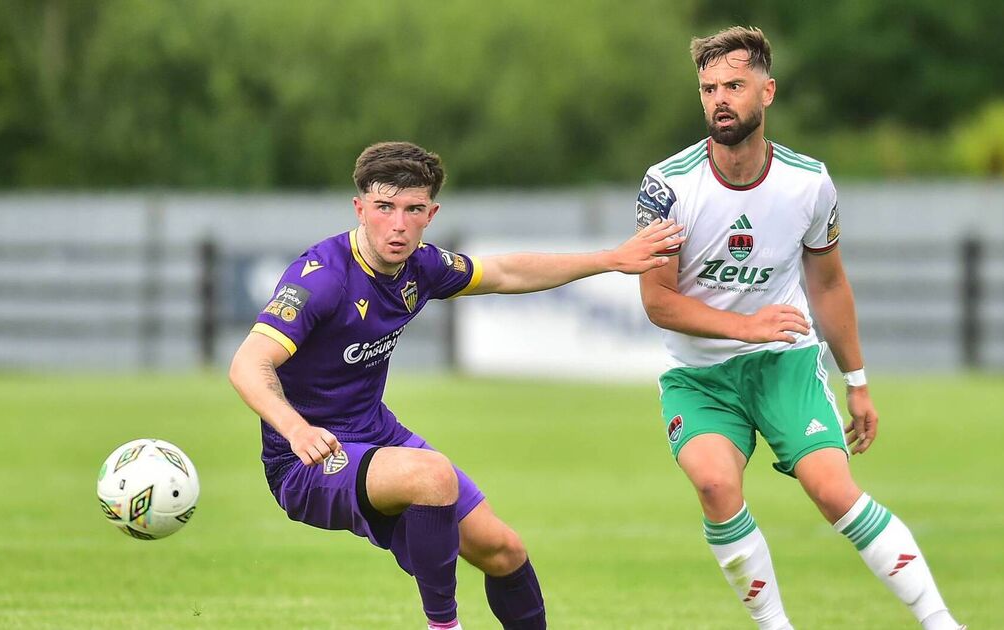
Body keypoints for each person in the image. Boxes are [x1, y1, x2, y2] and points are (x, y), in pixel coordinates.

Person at [229, 141, 683, 630]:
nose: (398, 224)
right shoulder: (323, 279)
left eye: (412, 210)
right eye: (384, 208)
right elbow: (248, 363)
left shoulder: (422, 266)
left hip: (376, 437)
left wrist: (610, 259)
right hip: (305, 460)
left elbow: (506, 273)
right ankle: (443, 626)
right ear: (359, 208)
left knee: (504, 550)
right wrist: (296, 429)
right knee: (433, 476)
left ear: (431, 213)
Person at [635, 27, 965, 630]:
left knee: (834, 491)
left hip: (784, 361)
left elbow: (830, 284)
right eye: (708, 88)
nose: (719, 99)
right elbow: (658, 301)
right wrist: (744, 325)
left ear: (768, 91)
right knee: (713, 485)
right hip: (699, 373)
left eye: (734, 85)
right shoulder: (667, 186)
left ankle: (942, 622)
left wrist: (858, 379)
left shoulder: (809, 182)